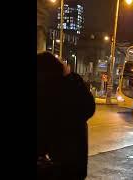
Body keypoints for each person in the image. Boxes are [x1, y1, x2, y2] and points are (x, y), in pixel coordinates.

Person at [37, 52, 95, 180]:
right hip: (76, 165)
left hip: (58, 166)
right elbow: (89, 108)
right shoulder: (73, 85)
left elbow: (43, 130)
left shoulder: (50, 94)